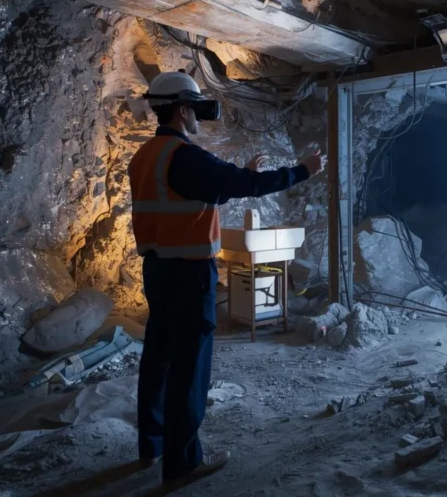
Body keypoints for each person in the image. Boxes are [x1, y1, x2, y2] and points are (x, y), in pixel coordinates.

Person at [127, 71, 324, 487]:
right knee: (190, 365)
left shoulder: (145, 156)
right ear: (182, 109)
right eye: (196, 107)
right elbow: (243, 185)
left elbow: (191, 195)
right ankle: (183, 464)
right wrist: (302, 171)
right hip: (189, 273)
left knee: (159, 358)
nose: (199, 115)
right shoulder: (186, 156)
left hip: (158, 270)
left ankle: (154, 445)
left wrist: (239, 175)